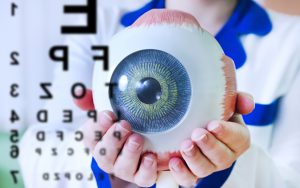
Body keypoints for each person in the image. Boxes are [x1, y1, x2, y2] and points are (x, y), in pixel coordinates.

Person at [19, 0, 300, 187]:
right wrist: (103, 168)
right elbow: (37, 154)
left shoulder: (293, 44)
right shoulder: (95, 26)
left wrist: (227, 167)